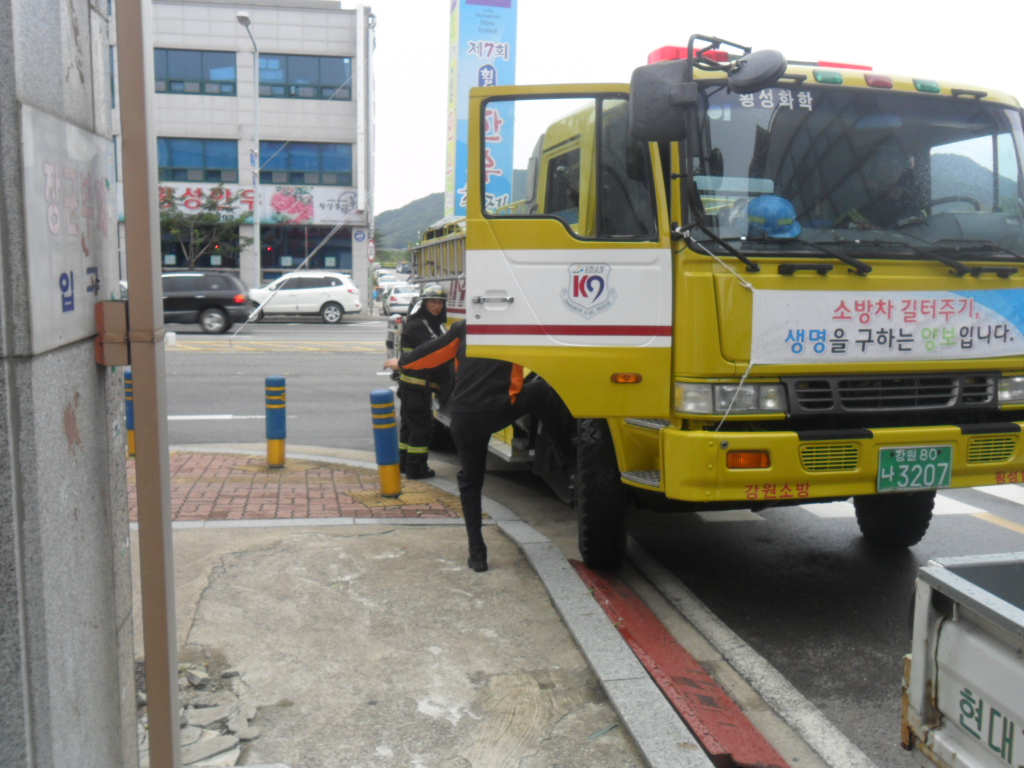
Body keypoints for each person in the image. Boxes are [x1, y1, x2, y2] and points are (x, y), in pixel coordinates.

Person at [384, 319, 555, 573]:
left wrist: (402, 362)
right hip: (500, 410)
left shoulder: (465, 328)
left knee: (471, 482)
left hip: (465, 417)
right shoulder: (518, 324)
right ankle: (560, 453)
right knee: (543, 390)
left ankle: (477, 553)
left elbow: (434, 351)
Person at [396, 284, 450, 479]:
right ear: (424, 303)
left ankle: (403, 464)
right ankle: (416, 469)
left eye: (440, 303)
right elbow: (432, 354)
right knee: (421, 430)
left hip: (411, 387)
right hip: (416, 387)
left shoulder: (428, 324)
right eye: (432, 302)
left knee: (408, 428)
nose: (436, 306)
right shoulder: (420, 326)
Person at [837, 143, 924, 228]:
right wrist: (858, 225)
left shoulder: (908, 196)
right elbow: (839, 225)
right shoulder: (857, 194)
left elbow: (922, 216)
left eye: (898, 164)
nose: (893, 169)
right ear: (874, 168)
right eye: (887, 164)